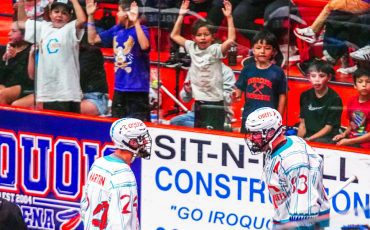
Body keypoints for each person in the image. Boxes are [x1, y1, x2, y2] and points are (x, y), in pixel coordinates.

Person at [244, 107, 330, 229]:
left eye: (256, 133)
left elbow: (306, 212)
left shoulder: (294, 162)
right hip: (285, 219)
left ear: (270, 132)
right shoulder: (288, 142)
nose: (252, 138)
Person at [170, 0, 235, 130]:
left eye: (206, 35)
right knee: (198, 132)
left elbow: (230, 40)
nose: (203, 38)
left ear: (212, 37)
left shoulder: (215, 50)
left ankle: (226, 128)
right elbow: (174, 35)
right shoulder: (191, 47)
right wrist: (181, 15)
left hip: (215, 103)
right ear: (193, 37)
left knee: (214, 134)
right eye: (199, 35)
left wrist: (229, 17)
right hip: (199, 103)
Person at [80, 118, 152, 229]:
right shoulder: (124, 176)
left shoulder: (98, 164)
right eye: (141, 139)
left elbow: (84, 207)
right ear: (131, 142)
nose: (146, 142)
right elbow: (121, 223)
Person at [86, 0, 151, 120]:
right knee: (117, 127)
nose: (117, 14)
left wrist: (135, 21)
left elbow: (145, 46)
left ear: (127, 14)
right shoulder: (116, 29)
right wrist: (90, 16)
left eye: (119, 11)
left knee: (138, 129)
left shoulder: (141, 29)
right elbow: (92, 39)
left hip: (138, 90)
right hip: (119, 89)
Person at [19, 0, 86, 113]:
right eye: (56, 11)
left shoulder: (69, 29)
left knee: (69, 128)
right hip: (48, 92)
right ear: (50, 14)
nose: (59, 15)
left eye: (64, 13)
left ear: (70, 17)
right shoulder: (43, 28)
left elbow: (82, 20)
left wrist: (74, 1)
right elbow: (22, 21)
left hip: (68, 92)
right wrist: (21, 2)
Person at [234, 30, 287, 133]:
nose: (262, 51)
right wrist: (234, 94)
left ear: (274, 51)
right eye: (258, 48)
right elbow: (238, 92)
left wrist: (279, 118)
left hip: (269, 121)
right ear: (253, 50)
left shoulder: (278, 72)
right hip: (248, 118)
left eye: (267, 48)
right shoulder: (247, 69)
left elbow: (282, 95)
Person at [170, 62, 236, 130]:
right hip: (197, 113)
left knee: (206, 126)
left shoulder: (226, 71)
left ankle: (212, 128)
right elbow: (185, 99)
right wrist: (187, 91)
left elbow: (229, 100)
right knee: (175, 122)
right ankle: (214, 129)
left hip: (220, 114)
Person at [297, 59, 343, 143]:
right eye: (313, 76)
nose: (317, 80)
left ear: (329, 77)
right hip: (308, 135)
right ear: (308, 77)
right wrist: (298, 141)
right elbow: (302, 124)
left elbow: (328, 128)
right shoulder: (305, 95)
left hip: (326, 137)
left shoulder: (335, 99)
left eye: (321, 76)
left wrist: (309, 140)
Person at [294, 0, 370, 44]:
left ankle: (313, 31)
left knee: (331, 5)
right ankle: (318, 32)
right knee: (334, 6)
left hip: (365, 3)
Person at [332, 68, 370, 148]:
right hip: (351, 140)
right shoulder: (351, 101)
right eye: (360, 82)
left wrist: (349, 141)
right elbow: (352, 124)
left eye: (368, 82)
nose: (364, 85)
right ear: (355, 85)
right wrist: (344, 134)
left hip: (365, 145)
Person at [0, 21, 34, 107]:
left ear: (25, 34)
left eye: (14, 31)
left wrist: (14, 59)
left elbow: (26, 78)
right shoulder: (6, 49)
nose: (9, 33)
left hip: (27, 86)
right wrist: (5, 60)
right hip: (9, 84)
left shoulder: (30, 50)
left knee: (2, 94)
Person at [79, 36, 109, 116]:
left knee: (65, 108)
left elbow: (80, 76)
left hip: (94, 98)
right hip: (77, 97)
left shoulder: (90, 53)